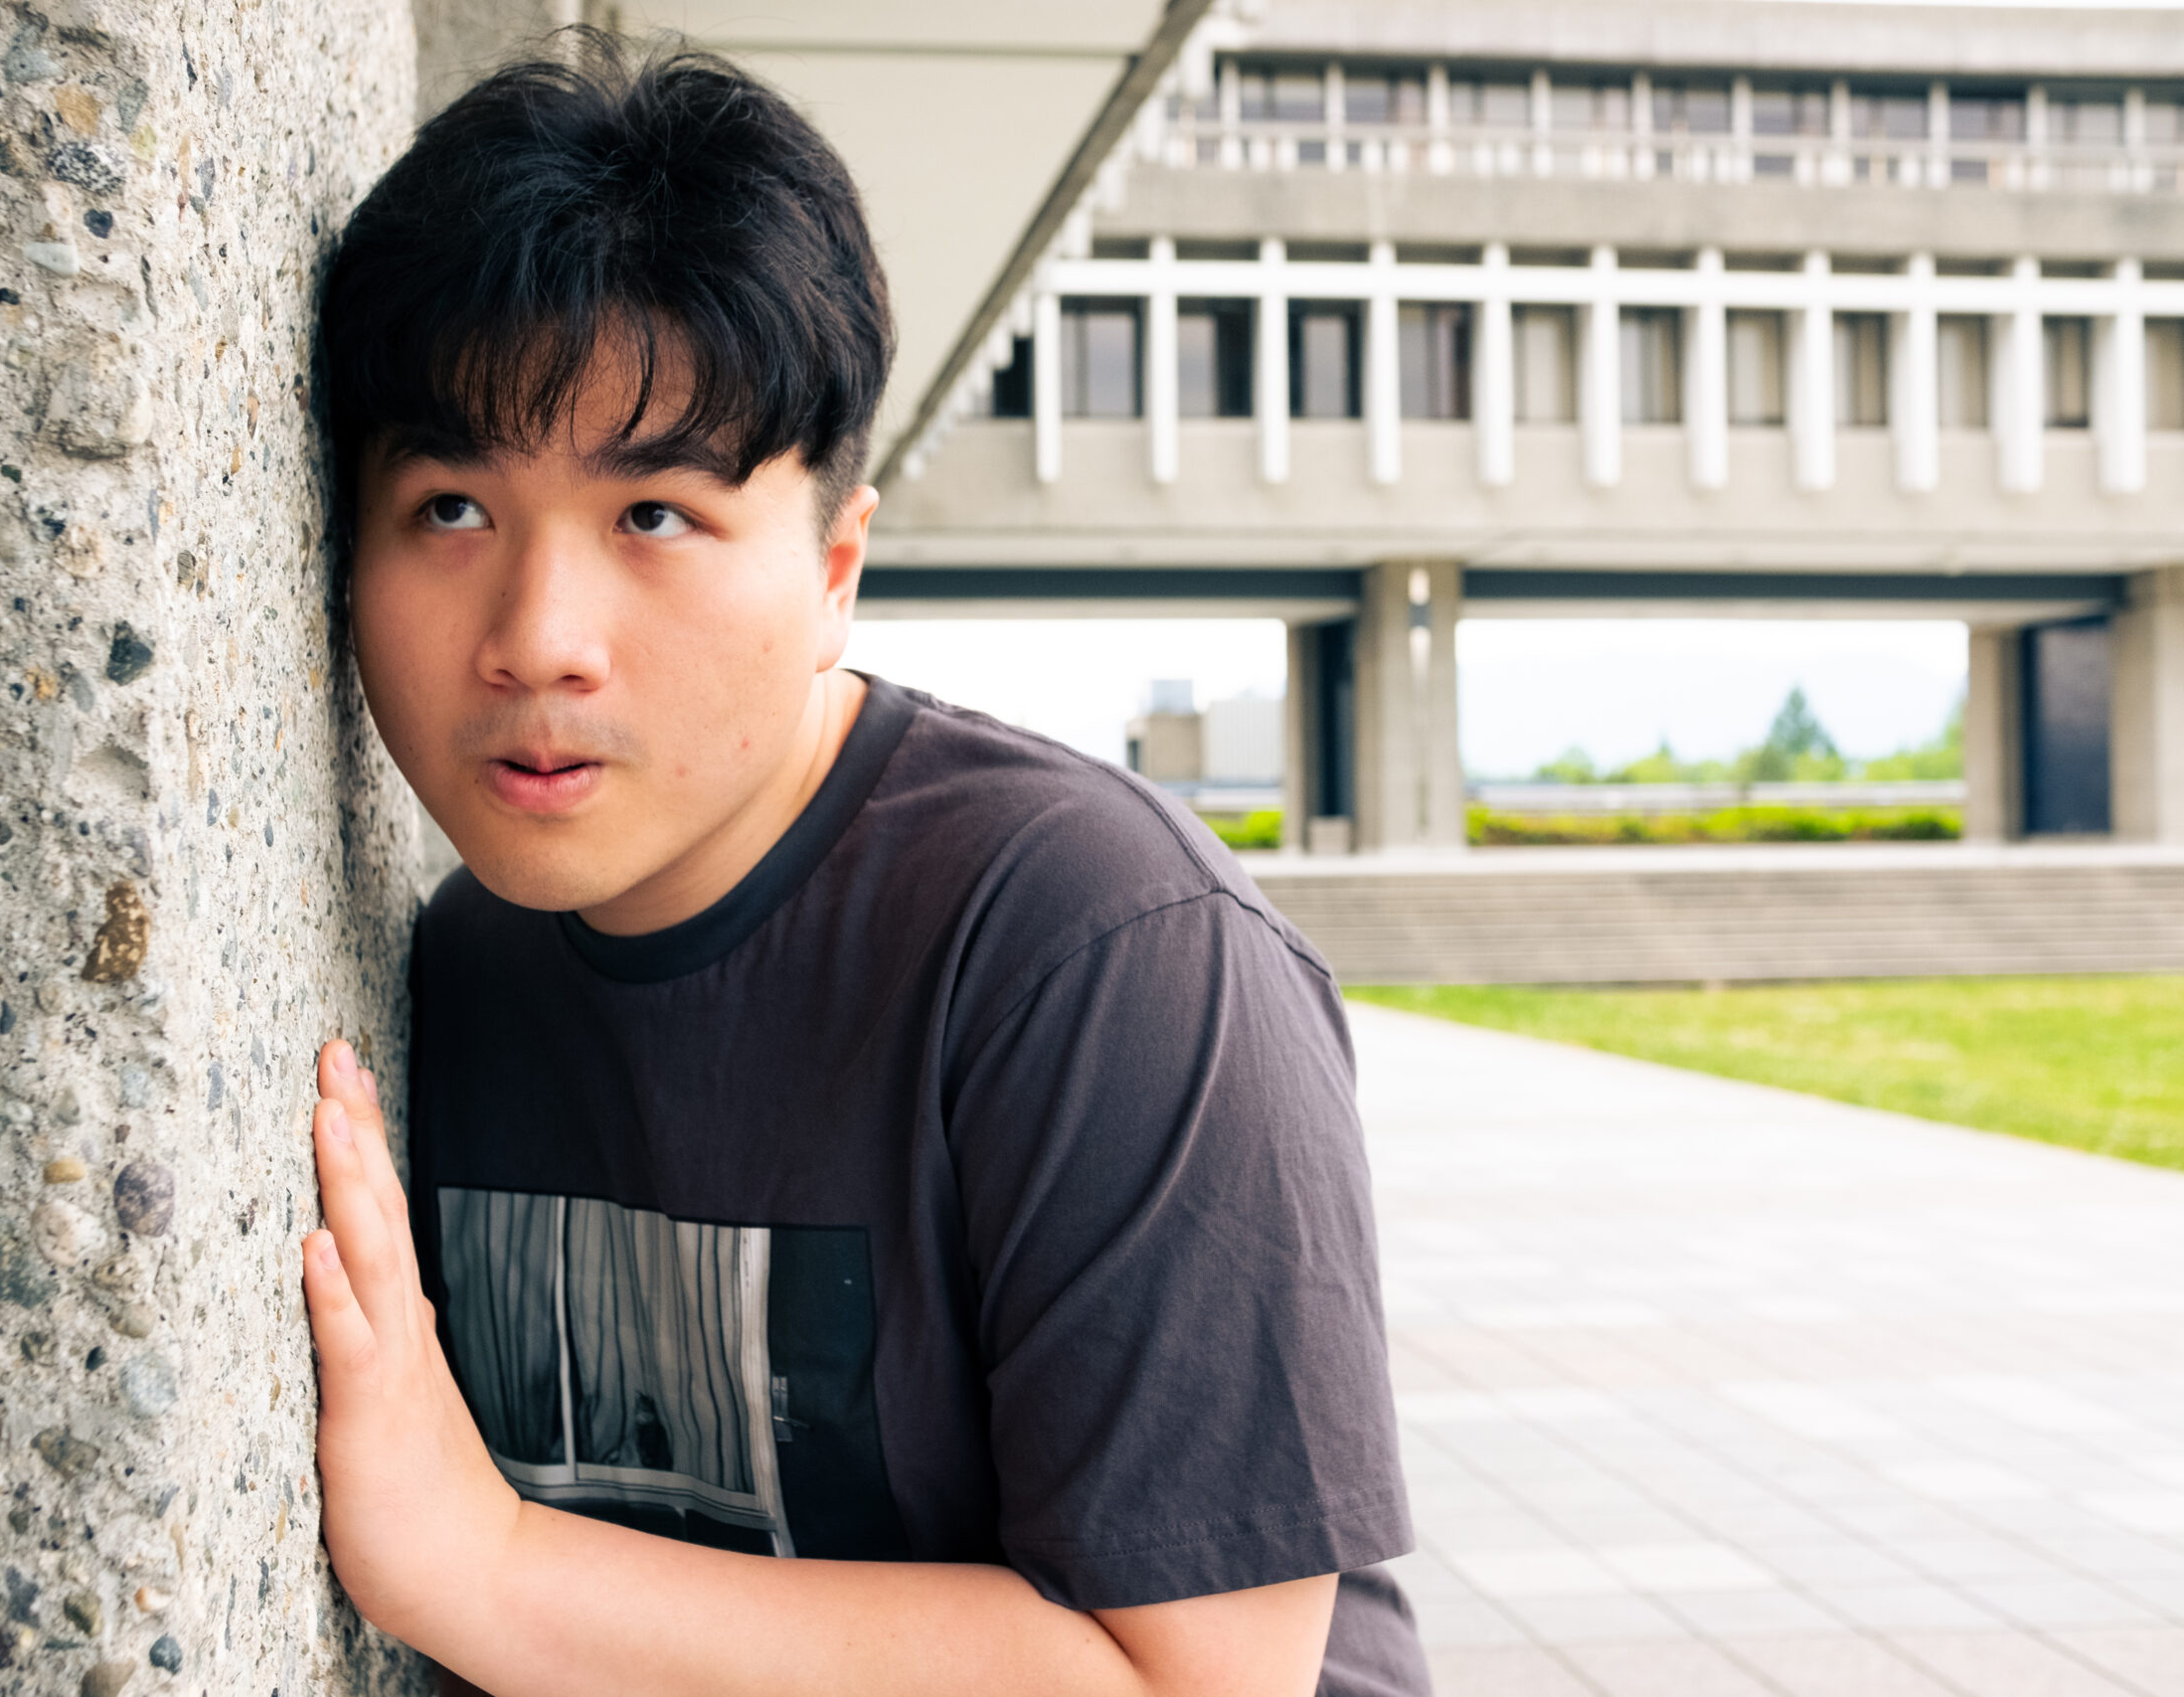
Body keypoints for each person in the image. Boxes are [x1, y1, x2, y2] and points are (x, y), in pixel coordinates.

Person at [300, 32, 1430, 1697]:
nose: (538, 642)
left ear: (836, 568)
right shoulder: (462, 957)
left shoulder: (1097, 948)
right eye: (454, 508)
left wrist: (491, 1567)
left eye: (656, 516)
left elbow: (1198, 1678)